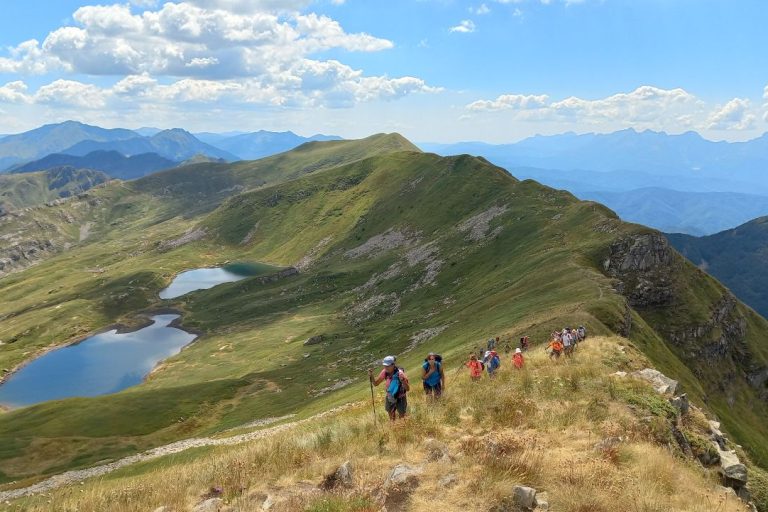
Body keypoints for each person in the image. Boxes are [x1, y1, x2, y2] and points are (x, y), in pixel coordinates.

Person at [369, 355, 410, 421]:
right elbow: (376, 383)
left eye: (387, 366)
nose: (386, 367)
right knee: (390, 413)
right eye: (385, 366)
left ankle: (401, 427)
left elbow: (408, 389)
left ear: (393, 365)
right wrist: (372, 376)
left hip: (400, 397)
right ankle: (393, 426)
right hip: (390, 396)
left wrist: (403, 381)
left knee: (402, 415)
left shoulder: (400, 374)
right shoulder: (384, 372)